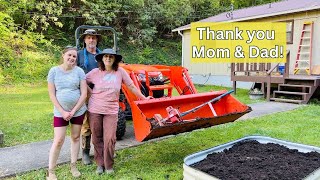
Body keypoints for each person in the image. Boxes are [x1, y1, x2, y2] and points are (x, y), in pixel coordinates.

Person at [86, 48, 152, 174]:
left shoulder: (120, 72)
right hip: (95, 109)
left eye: (111, 56)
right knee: (96, 137)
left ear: (115, 59)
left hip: (111, 110)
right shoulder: (95, 72)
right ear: (102, 58)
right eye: (106, 56)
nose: (108, 58)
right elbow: (82, 81)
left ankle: (109, 165)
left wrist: (144, 98)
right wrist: (89, 93)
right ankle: (100, 164)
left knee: (110, 138)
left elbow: (131, 86)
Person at [47, 47, 87, 179]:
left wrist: (74, 110)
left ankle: (73, 166)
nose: (72, 58)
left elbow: (84, 93)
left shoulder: (79, 72)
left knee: (75, 137)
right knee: (58, 140)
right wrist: (63, 111)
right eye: (69, 55)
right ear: (63, 55)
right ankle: (51, 171)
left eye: (74, 57)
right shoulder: (54, 71)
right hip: (60, 112)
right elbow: (52, 94)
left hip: (78, 111)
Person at [77, 29, 102, 165]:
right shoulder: (79, 55)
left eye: (93, 38)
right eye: (88, 38)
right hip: (85, 93)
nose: (91, 40)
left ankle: (102, 150)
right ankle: (85, 153)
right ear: (85, 40)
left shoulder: (102, 55)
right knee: (86, 123)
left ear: (97, 40)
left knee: (101, 122)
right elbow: (76, 75)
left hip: (102, 94)